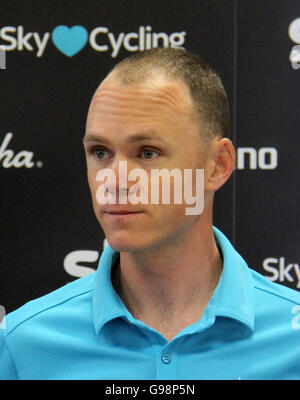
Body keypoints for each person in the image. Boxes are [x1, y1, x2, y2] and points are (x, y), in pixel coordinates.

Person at [1, 48, 299, 380]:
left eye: (147, 153)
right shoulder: (25, 343)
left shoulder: (293, 340)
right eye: (100, 152)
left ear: (218, 165)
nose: (114, 181)